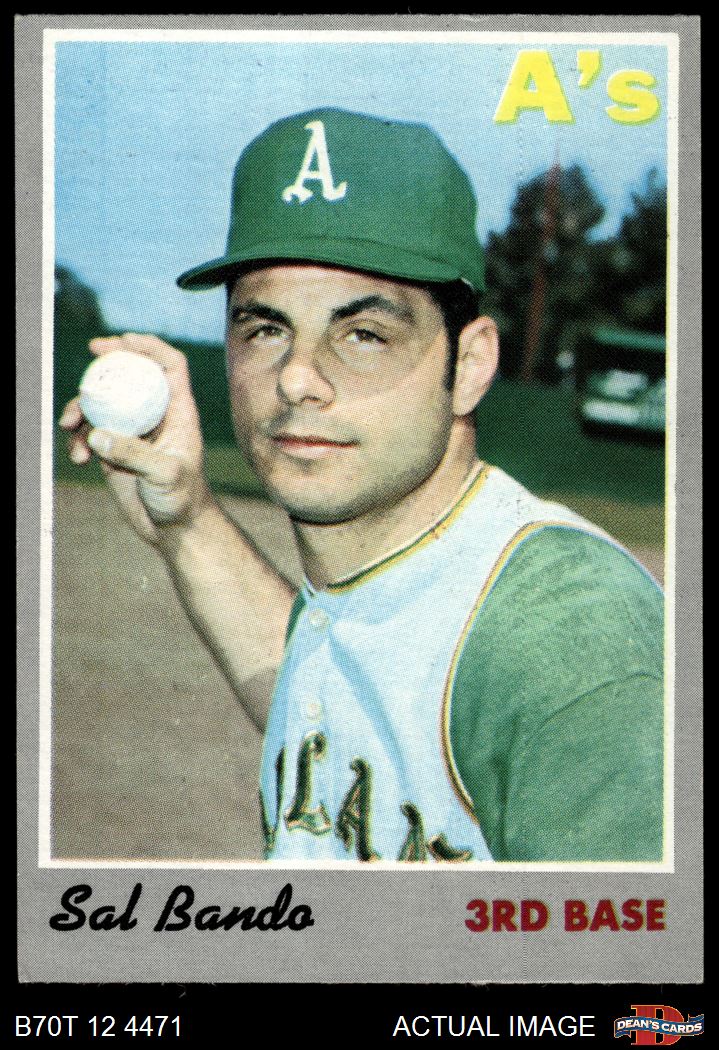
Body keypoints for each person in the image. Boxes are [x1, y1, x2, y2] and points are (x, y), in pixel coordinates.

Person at [60, 108, 664, 863]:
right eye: (265, 328)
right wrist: (183, 518)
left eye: (364, 334)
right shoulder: (394, 579)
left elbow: (636, 935)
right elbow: (344, 704)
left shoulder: (568, 636)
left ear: (471, 365)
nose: (296, 378)